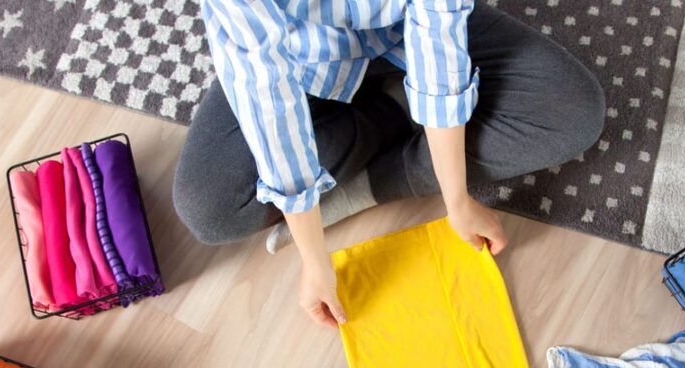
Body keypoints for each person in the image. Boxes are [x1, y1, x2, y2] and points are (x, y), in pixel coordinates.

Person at [173, 1, 605, 328]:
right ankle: (394, 111)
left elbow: (438, 36)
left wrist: (457, 198)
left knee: (574, 111)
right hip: (300, 59)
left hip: (405, 31)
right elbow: (268, 99)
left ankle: (370, 182)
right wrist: (315, 260)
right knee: (210, 209)